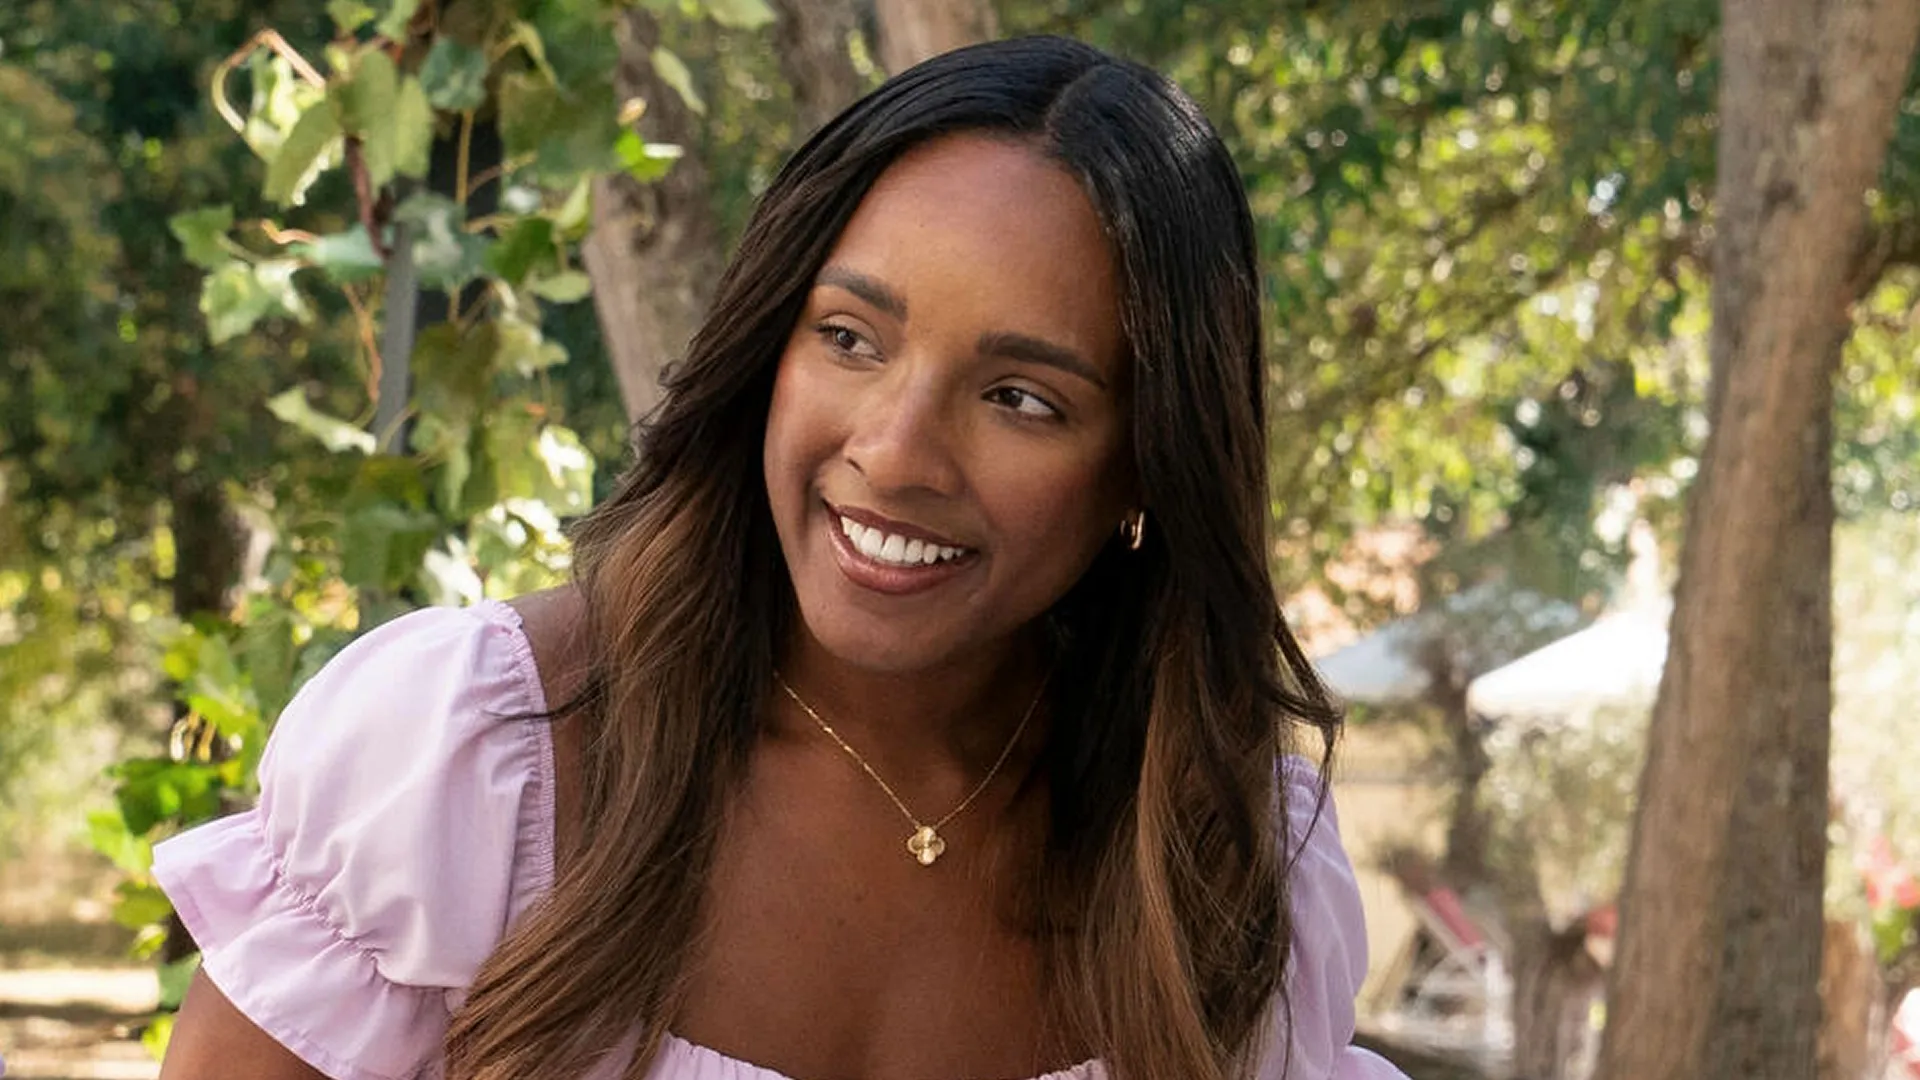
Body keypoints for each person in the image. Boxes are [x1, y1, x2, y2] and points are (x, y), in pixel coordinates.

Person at [152, 35, 1408, 1080]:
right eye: (852, 338)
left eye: (1022, 397)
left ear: (1147, 466)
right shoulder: (481, 761)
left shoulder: (1222, 862)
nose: (897, 450)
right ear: (772, 345)